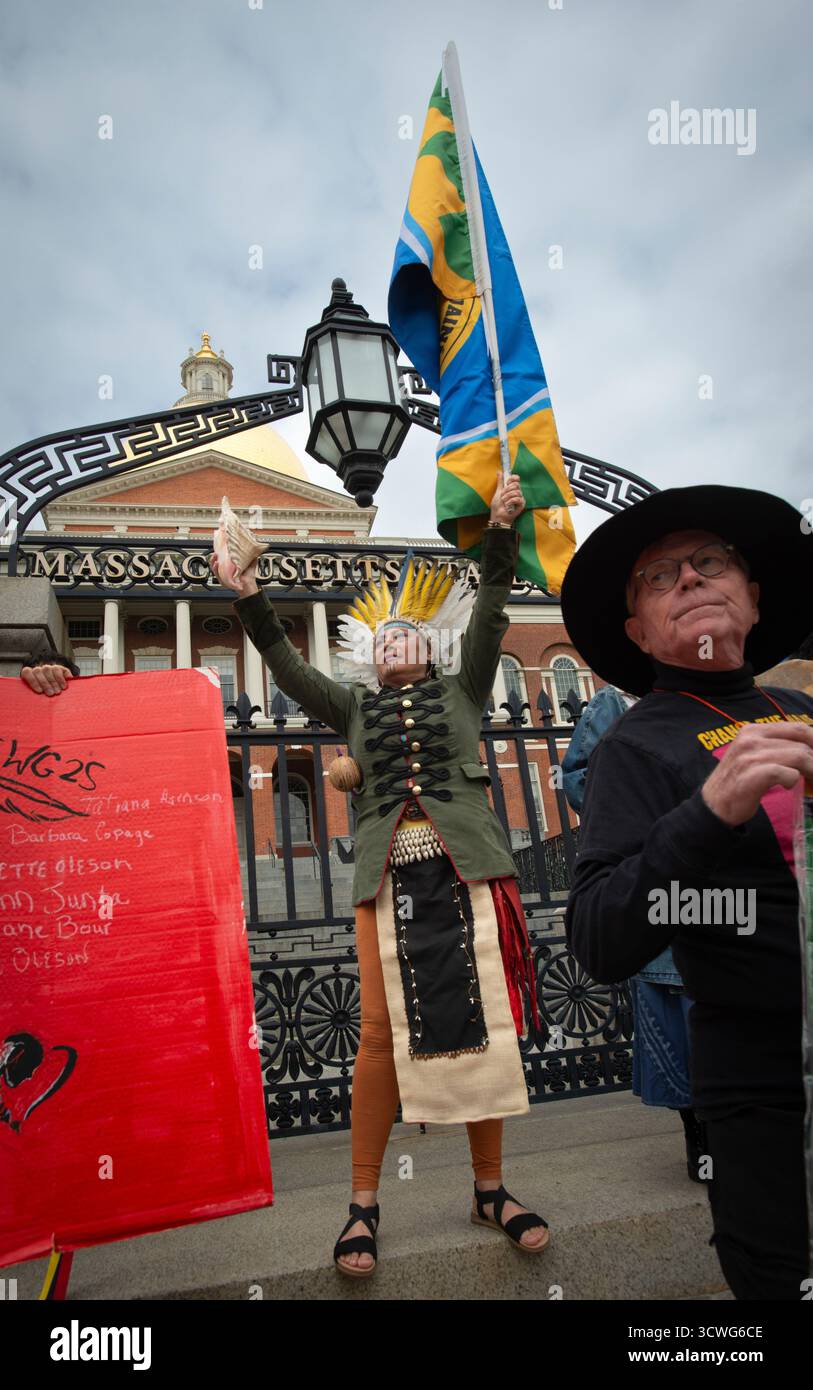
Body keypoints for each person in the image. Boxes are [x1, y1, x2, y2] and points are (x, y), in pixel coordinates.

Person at [216, 472, 550, 1278]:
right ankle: (362, 1202)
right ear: (370, 657)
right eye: (384, 636)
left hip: (467, 872)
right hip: (384, 882)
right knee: (374, 1037)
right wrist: (250, 593)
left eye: (409, 632)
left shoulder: (466, 688)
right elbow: (289, 671)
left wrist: (500, 531)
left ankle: (489, 1188)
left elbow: (494, 610)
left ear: (430, 647)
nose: (396, 637)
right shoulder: (356, 710)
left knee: (482, 1030)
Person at [561, 483, 813, 1300]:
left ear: (750, 594)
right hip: (766, 1083)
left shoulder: (799, 707)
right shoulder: (636, 747)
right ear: (638, 629)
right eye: (659, 574)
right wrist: (708, 810)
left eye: (711, 562)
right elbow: (601, 936)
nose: (690, 579)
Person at [561, 684, 705, 1181]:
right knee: (678, 1010)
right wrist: (637, 805)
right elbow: (579, 777)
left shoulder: (711, 701)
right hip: (659, 871)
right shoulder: (615, 705)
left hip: (725, 869)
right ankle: (702, 1142)